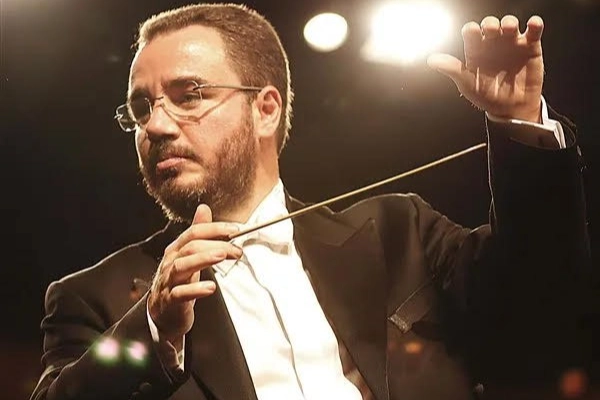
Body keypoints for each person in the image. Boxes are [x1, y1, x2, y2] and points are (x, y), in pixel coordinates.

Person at [31, 3, 592, 400]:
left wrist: (518, 123)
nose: (155, 125)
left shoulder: (399, 233)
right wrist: (155, 330)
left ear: (266, 109)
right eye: (141, 108)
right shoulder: (97, 299)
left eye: (189, 95)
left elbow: (544, 301)